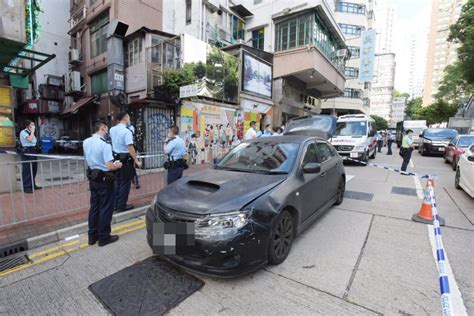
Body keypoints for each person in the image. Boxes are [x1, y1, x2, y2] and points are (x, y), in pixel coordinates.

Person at [83, 121, 123, 247]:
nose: (108, 132)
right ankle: (104, 237)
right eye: (107, 130)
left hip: (93, 178)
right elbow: (109, 165)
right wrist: (118, 165)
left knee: (94, 207)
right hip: (105, 180)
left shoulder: (86, 142)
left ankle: (92, 236)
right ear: (102, 129)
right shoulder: (104, 145)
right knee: (106, 208)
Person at [110, 112, 142, 212]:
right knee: (125, 183)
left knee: (117, 182)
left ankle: (115, 204)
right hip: (125, 159)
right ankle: (121, 206)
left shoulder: (112, 129)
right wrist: (136, 160)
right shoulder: (126, 131)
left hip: (116, 158)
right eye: (128, 117)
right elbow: (130, 147)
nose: (129, 120)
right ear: (125, 118)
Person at [19, 120, 40, 193]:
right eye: (32, 125)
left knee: (34, 168)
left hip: (33, 150)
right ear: (27, 126)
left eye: (34, 124)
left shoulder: (31, 133)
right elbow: (30, 140)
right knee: (27, 169)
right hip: (27, 150)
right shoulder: (23, 132)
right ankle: (26, 187)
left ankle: (32, 185)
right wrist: (33, 131)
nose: (33, 126)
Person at [127, 123, 141, 190]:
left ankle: (135, 182)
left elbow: (134, 146)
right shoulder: (129, 136)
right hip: (127, 155)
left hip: (130, 155)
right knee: (131, 169)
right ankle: (135, 182)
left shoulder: (131, 137)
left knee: (132, 168)